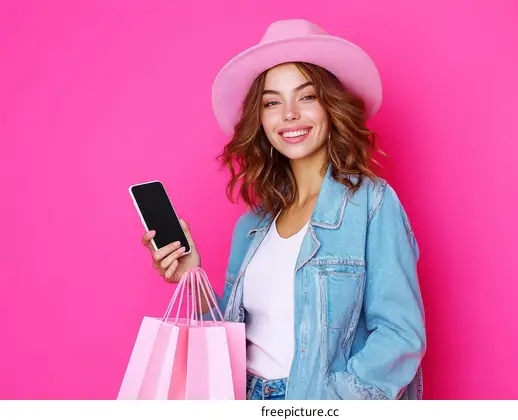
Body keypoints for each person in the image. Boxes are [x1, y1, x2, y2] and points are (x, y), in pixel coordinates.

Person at [141, 19, 426, 400]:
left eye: (306, 97)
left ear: (331, 106)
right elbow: (230, 344)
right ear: (261, 121)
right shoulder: (253, 227)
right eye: (273, 102)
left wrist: (330, 402)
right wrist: (192, 277)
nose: (289, 114)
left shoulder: (371, 204)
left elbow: (400, 335)